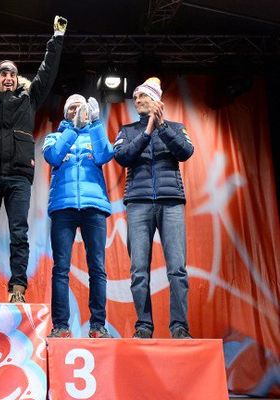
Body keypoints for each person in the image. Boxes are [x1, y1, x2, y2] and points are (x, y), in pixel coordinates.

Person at [0, 16, 66, 303]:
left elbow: (47, 71)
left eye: (12, 74)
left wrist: (56, 37)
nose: (7, 78)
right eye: (2, 74)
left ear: (17, 78)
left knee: (19, 234)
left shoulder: (30, 98)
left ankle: (18, 289)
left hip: (18, 177)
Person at [113, 77, 194, 339]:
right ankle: (144, 326)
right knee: (138, 270)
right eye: (135, 98)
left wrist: (161, 128)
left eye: (143, 96)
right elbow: (122, 157)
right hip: (138, 204)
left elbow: (186, 152)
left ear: (157, 100)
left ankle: (179, 326)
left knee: (177, 269)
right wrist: (147, 132)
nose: (137, 100)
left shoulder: (176, 127)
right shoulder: (127, 131)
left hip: (171, 202)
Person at [43, 95, 114, 338]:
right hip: (63, 206)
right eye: (71, 107)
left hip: (94, 206)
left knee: (97, 268)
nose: (76, 111)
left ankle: (97, 326)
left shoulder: (94, 135)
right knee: (61, 268)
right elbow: (53, 156)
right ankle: (61, 326)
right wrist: (73, 129)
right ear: (65, 112)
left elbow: (105, 155)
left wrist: (95, 124)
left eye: (80, 108)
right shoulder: (55, 136)